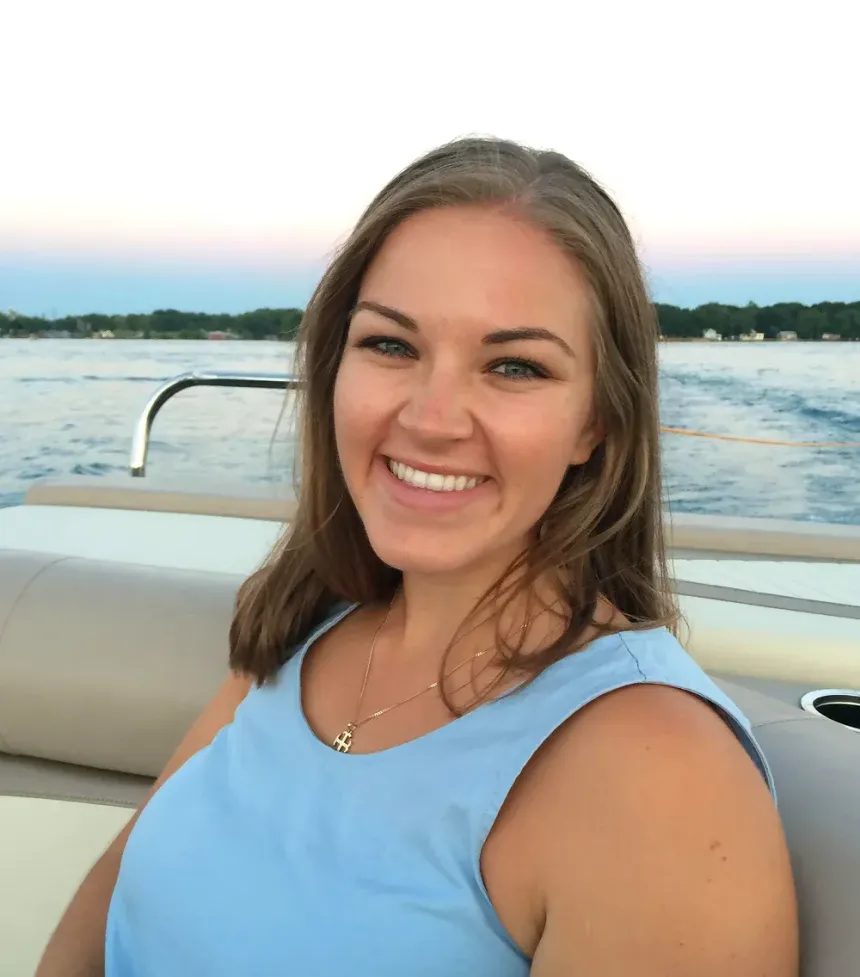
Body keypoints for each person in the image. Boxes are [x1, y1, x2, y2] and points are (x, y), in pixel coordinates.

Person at [37, 137, 799, 977]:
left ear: (597, 423)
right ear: (335, 367)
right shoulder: (303, 626)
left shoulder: (659, 777)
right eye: (391, 346)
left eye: (514, 365)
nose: (433, 418)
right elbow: (106, 907)